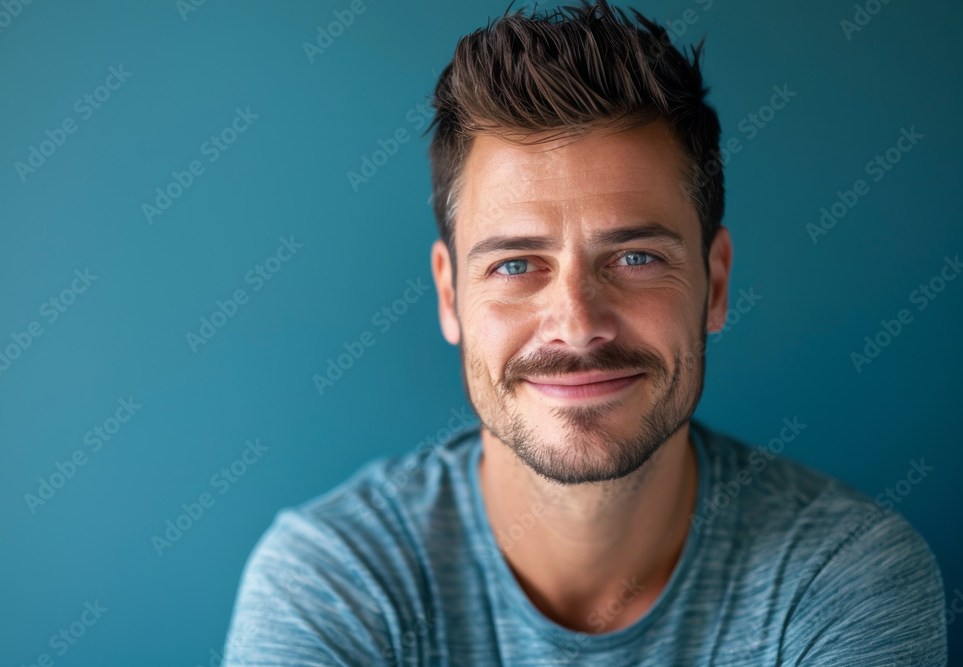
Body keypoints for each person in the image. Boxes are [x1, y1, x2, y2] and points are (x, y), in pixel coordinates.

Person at [222, 2, 947, 664]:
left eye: (635, 258)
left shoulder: (843, 573)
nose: (578, 324)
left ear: (715, 283)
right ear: (449, 295)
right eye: (515, 264)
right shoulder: (332, 580)